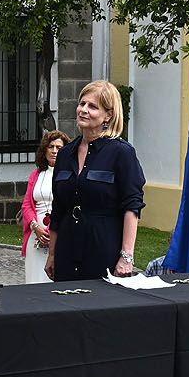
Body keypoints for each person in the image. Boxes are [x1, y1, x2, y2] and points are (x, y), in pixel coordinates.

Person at [46, 84, 146, 282]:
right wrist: (52, 254)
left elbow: (132, 206)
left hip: (103, 248)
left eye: (92, 106)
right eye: (82, 103)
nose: (83, 109)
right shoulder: (65, 154)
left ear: (108, 115)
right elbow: (58, 209)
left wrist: (126, 256)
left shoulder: (121, 153)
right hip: (67, 247)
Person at [20, 130, 67, 283]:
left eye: (59, 147)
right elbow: (27, 204)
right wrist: (35, 227)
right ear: (44, 149)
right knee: (34, 279)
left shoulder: (68, 175)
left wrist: (49, 231)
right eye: (51, 146)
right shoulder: (36, 174)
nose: (54, 151)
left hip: (59, 236)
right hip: (36, 238)